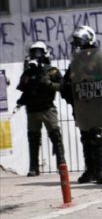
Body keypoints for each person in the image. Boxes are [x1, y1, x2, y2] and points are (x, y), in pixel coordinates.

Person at [60, 26, 102, 184]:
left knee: (96, 135)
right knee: (85, 137)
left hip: (95, 104)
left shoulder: (99, 58)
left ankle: (101, 170)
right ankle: (90, 170)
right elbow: (66, 82)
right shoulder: (76, 61)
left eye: (79, 41)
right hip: (81, 106)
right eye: (75, 42)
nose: (76, 45)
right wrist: (68, 93)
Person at [17, 41, 65, 176]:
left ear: (44, 53)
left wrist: (49, 84)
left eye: (38, 52)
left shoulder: (52, 70)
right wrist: (28, 72)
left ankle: (61, 164)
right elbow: (22, 87)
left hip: (47, 108)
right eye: (33, 52)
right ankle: (34, 167)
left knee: (55, 136)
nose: (36, 55)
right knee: (33, 138)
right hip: (32, 109)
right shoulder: (28, 71)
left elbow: (63, 87)